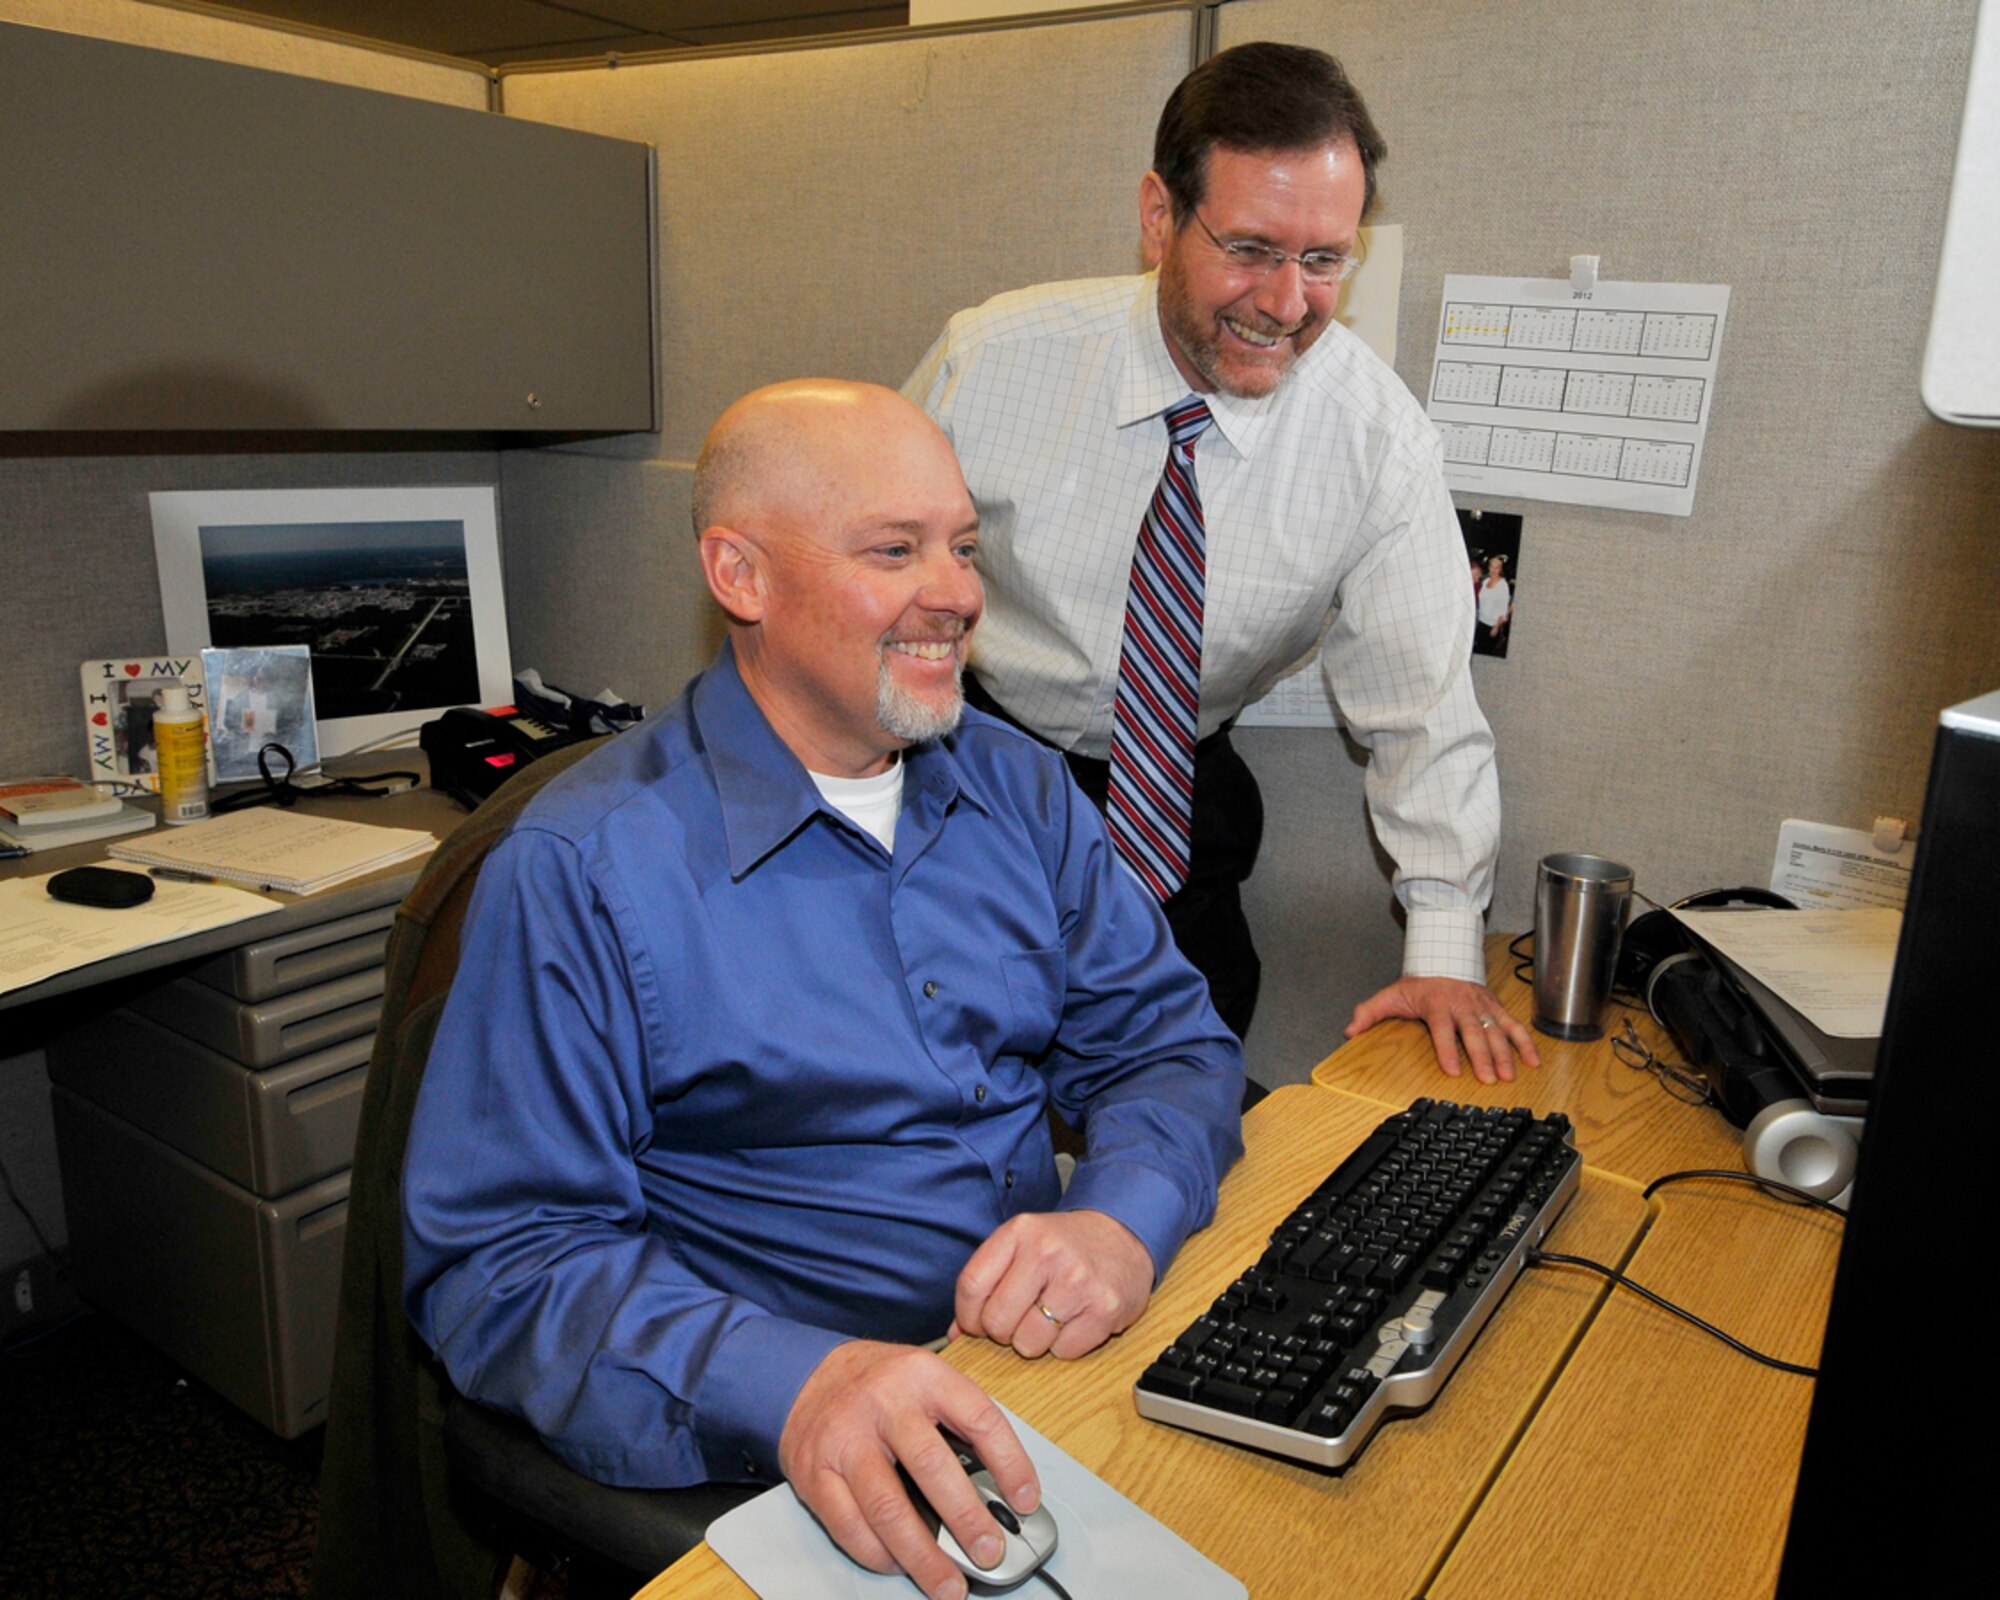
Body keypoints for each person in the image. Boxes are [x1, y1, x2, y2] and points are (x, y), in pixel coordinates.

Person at [402, 380, 1244, 1600]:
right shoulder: (585, 868)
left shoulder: (1022, 791)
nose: (954, 590)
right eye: (893, 550)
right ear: (739, 576)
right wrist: (793, 1383)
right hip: (775, 1455)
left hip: (1038, 1384)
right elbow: (501, 1261)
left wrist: (1118, 1215)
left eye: (961, 545)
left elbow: (1167, 1042)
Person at [906, 41, 1538, 1084]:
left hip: (1171, 792)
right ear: (1158, 218)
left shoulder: (1375, 441)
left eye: (1324, 258)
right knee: (945, 1092)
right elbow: (861, 583)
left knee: (1187, 1092)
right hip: (977, 767)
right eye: (1249, 247)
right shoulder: (992, 358)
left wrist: (1440, 953)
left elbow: (1421, 708)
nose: (1286, 303)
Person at [1476, 554, 1513, 652]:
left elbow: (1503, 610)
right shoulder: (1485, 582)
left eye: (1496, 568)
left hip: (1491, 626)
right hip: (1480, 622)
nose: (1493, 570)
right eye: (1491, 566)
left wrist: (1496, 627)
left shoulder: (1503, 586)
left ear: (1500, 569)